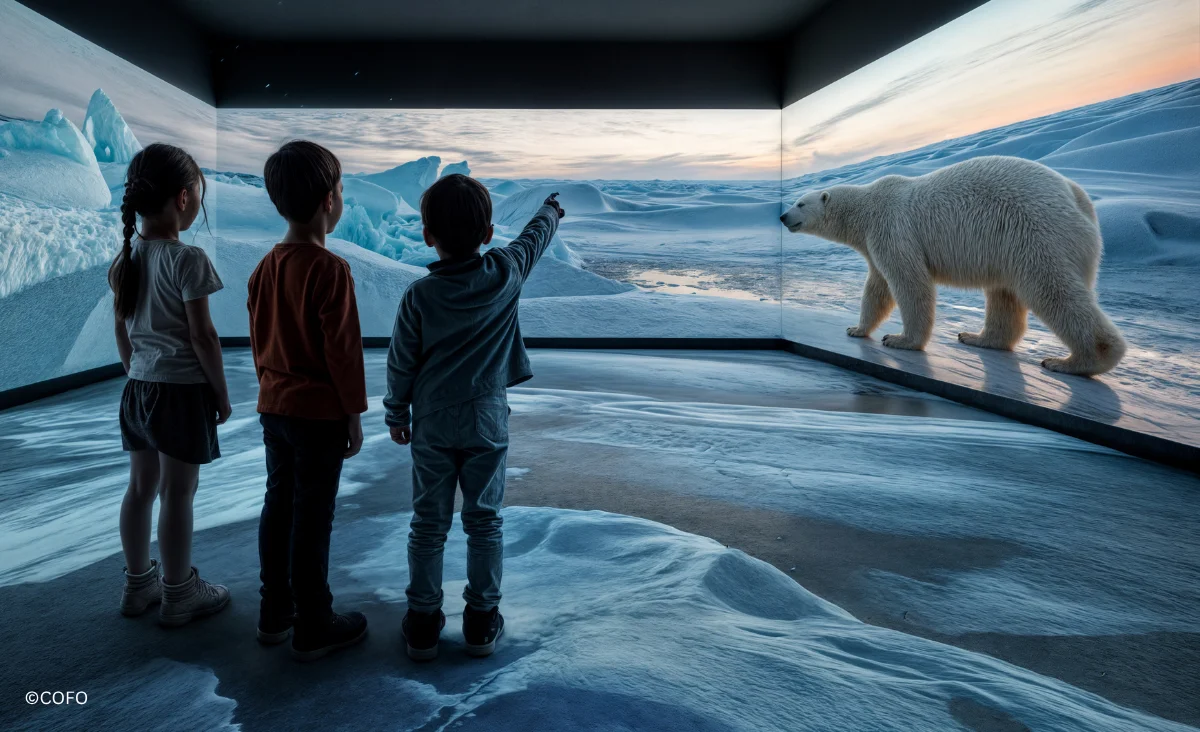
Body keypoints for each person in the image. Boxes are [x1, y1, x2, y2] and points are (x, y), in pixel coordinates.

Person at [384, 174, 565, 660]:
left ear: (427, 235)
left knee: (428, 523)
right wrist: (550, 212)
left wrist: (395, 412)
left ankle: (423, 621)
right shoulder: (505, 272)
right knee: (484, 521)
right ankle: (482, 619)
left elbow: (401, 360)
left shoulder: (419, 296)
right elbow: (534, 241)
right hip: (487, 418)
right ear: (487, 233)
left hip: (432, 422)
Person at [248, 140, 369, 662]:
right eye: (340, 190)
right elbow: (343, 354)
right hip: (318, 414)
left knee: (278, 506)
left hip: (274, 407)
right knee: (312, 516)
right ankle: (315, 623)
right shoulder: (330, 270)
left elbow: (259, 343)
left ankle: (275, 612)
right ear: (328, 200)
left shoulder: (263, 269)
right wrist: (353, 415)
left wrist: (271, 390)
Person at [112, 143, 231, 627]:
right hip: (181, 393)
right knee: (178, 493)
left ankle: (138, 584)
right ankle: (180, 592)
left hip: (139, 389)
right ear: (183, 198)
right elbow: (202, 336)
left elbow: (121, 328)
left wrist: (134, 369)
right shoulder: (189, 260)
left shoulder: (127, 258)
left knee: (140, 488)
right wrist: (220, 393)